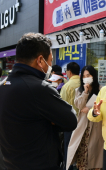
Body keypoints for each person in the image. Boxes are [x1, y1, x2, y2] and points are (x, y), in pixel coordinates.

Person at [0, 33, 77, 170]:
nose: (50, 66)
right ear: (40, 60)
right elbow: (71, 120)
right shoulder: (39, 88)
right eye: (50, 60)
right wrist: (50, 120)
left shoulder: (3, 85)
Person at [67, 65, 103, 170]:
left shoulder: (101, 89)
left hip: (96, 126)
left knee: (95, 155)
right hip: (83, 125)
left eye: (88, 75)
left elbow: (102, 105)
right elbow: (79, 105)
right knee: (82, 154)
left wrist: (89, 108)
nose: (86, 77)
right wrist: (85, 92)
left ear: (93, 76)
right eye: (84, 76)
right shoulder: (79, 90)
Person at [60, 62, 80, 170]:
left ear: (69, 72)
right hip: (84, 124)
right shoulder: (85, 84)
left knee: (69, 150)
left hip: (70, 125)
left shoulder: (66, 86)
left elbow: (61, 107)